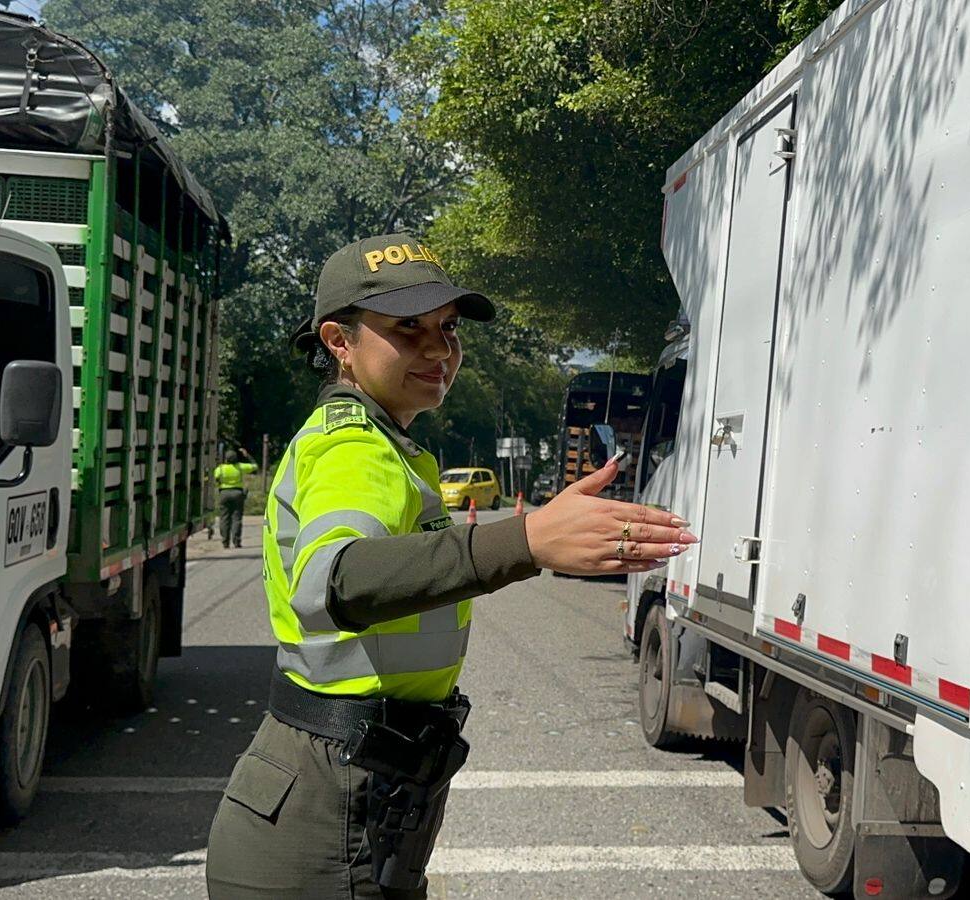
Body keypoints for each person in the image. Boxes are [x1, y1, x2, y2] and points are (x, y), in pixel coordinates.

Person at [205, 233, 694, 899]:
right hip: (329, 816)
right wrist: (523, 541)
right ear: (339, 342)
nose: (439, 349)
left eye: (448, 327)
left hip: (353, 796)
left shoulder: (387, 445)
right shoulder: (355, 449)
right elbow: (336, 581)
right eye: (407, 329)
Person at [213, 448, 258, 548]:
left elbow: (215, 478)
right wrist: (247, 456)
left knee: (224, 518)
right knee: (236, 518)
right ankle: (236, 541)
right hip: (237, 493)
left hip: (224, 493)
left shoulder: (220, 469)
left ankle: (225, 541)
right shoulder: (240, 467)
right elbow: (255, 466)